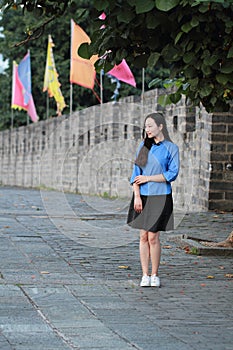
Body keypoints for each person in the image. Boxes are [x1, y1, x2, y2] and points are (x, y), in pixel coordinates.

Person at [127, 112, 179, 287]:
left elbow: (172, 174)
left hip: (161, 196)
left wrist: (149, 179)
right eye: (145, 126)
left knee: (153, 237)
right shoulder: (143, 147)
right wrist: (137, 196)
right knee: (143, 236)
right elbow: (135, 175)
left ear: (160, 126)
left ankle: (155, 274)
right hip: (142, 197)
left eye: (150, 126)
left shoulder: (171, 148)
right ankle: (145, 275)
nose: (147, 129)